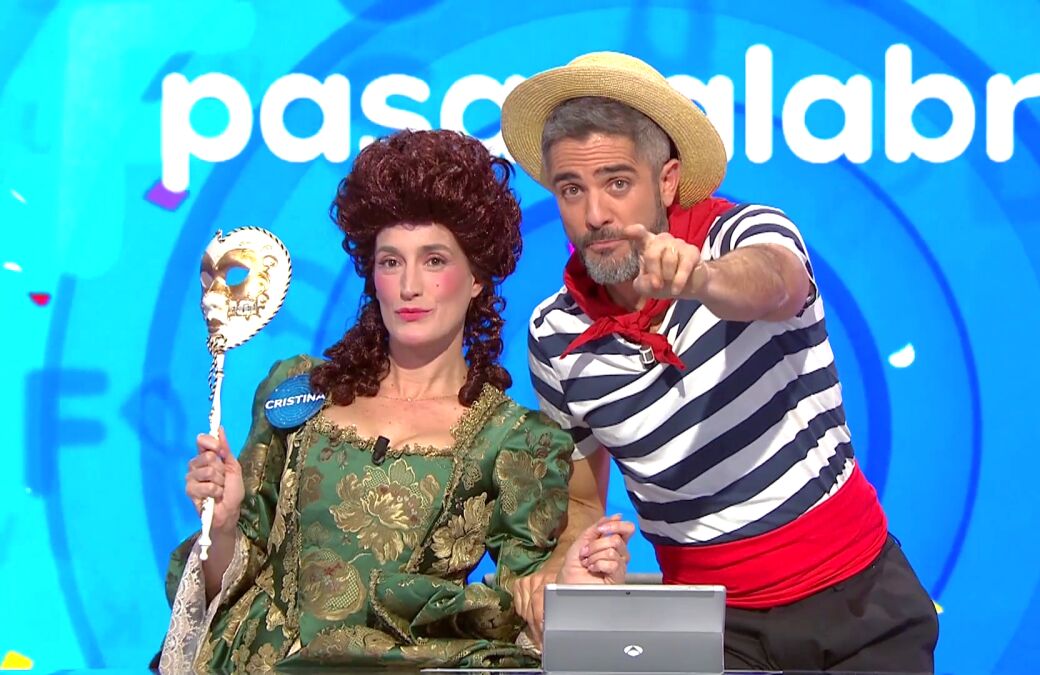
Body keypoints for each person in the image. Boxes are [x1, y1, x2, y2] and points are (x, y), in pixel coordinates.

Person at [500, 52, 939, 672]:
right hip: (711, 630)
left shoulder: (744, 234)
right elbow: (581, 498)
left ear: (667, 181)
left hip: (858, 602)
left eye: (617, 183)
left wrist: (702, 280)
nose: (595, 215)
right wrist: (572, 555)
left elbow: (776, 283)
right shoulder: (553, 334)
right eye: (573, 189)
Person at [158, 129, 632, 672]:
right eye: (390, 262)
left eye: (434, 260)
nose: (409, 286)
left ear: (477, 277)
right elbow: (226, 580)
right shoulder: (300, 389)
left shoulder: (516, 441)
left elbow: (523, 608)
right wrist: (222, 526)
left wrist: (571, 585)